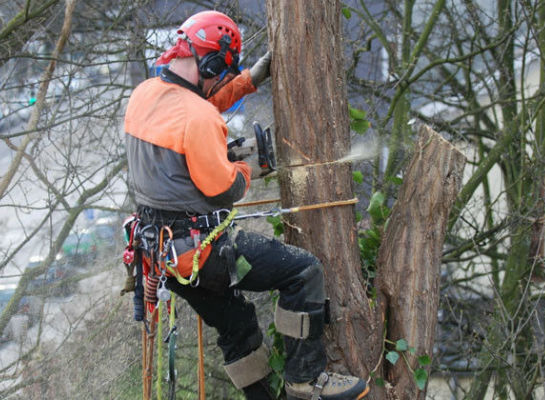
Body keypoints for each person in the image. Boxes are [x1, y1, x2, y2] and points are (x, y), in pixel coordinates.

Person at [124, 10, 369, 400]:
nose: (222, 79)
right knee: (303, 272)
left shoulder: (146, 95)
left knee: (238, 323)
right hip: (204, 254)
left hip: (162, 253)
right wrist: (245, 166)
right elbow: (225, 190)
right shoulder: (197, 116)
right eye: (223, 71)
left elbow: (198, 105)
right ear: (211, 61)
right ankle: (306, 379)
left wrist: (249, 80)